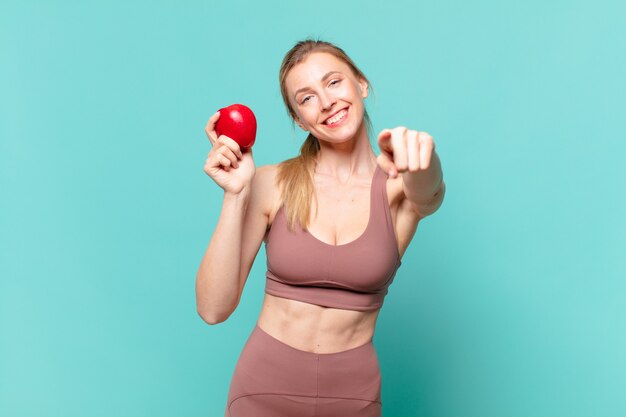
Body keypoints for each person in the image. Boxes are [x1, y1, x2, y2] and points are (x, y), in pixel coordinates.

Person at [196, 38, 446, 417]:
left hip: (353, 399)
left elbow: (429, 193)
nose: (327, 102)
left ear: (360, 84)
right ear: (299, 119)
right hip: (262, 392)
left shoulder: (398, 185)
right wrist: (235, 194)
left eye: (333, 82)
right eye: (307, 97)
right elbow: (213, 309)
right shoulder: (271, 183)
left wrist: (423, 157)